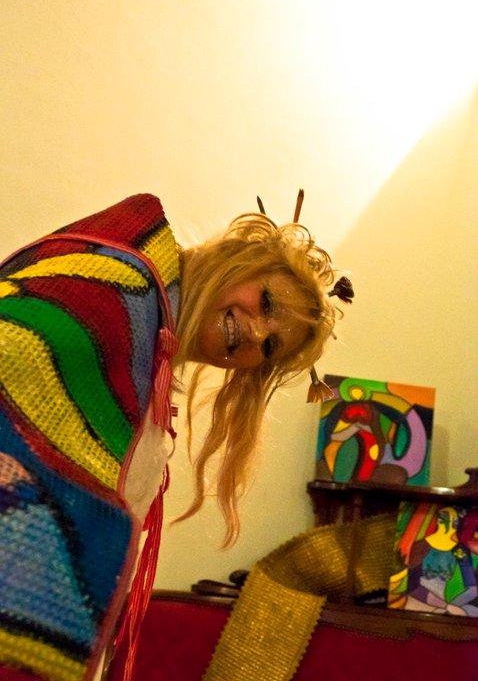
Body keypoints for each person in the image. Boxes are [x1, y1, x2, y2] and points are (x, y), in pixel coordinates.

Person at [0, 192, 350, 681]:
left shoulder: (150, 366)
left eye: (270, 346)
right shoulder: (117, 289)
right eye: (266, 301)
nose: (255, 334)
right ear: (237, 261)